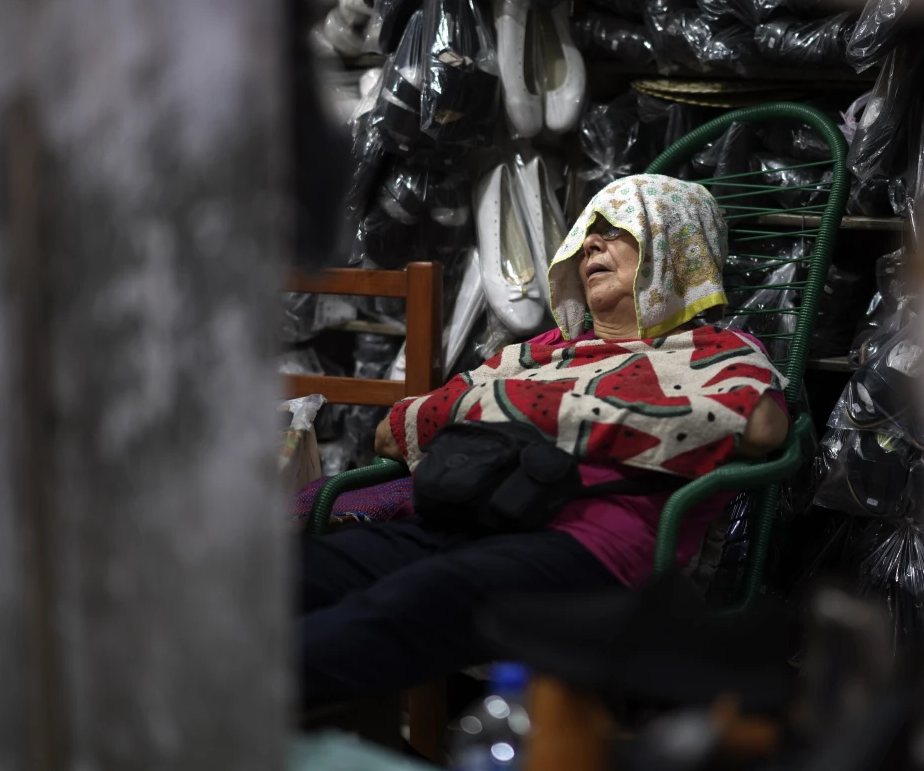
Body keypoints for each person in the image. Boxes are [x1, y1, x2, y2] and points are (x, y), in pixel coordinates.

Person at [299, 174, 790, 705]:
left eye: (616, 228)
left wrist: (519, 410)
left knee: (402, 606)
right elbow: (394, 430)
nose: (590, 244)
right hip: (469, 518)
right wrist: (591, 417)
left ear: (676, 241)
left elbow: (759, 426)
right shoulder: (543, 352)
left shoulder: (718, 351)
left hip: (590, 546)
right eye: (586, 232)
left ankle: (220, 724)